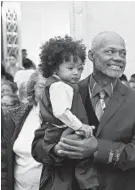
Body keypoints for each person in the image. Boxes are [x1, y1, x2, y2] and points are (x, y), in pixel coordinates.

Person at [32, 31, 135, 190]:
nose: (118, 58)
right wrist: (58, 149)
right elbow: (37, 147)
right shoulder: (63, 91)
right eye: (110, 51)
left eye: (123, 53)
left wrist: (98, 148)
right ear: (91, 55)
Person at [37, 35, 98, 190]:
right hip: (61, 132)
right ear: (54, 67)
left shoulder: (58, 84)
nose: (76, 73)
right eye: (70, 68)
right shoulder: (60, 86)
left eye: (79, 69)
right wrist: (80, 126)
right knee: (79, 160)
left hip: (60, 131)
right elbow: (61, 112)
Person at [1, 71, 46, 190]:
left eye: (52, 86)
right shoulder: (15, 116)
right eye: (42, 87)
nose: (47, 91)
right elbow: (4, 160)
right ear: (33, 89)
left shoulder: (64, 119)